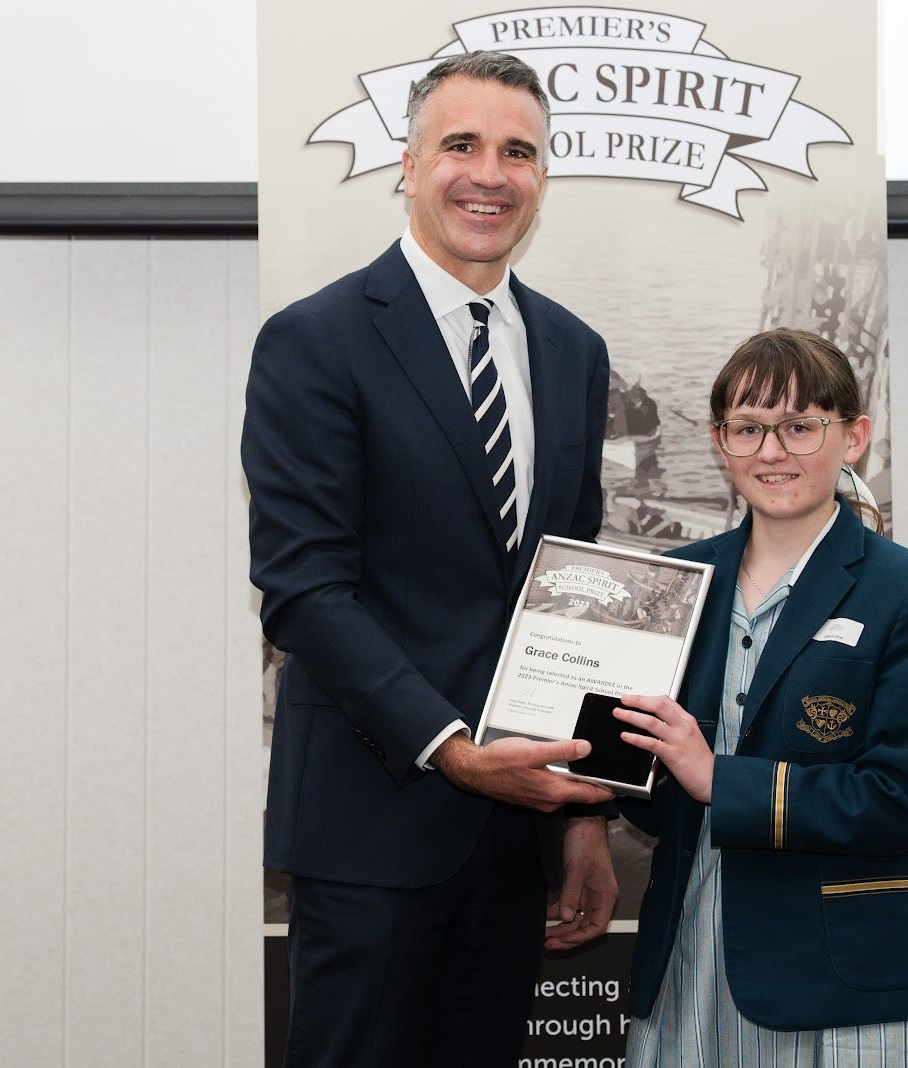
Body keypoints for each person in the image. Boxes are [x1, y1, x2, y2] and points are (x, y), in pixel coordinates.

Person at [242, 51, 618, 1068]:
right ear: (407, 165)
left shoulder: (574, 352)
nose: (488, 174)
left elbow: (568, 600)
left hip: (513, 843)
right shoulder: (313, 341)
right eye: (460, 145)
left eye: (518, 152)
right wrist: (450, 747)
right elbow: (304, 588)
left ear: (543, 179)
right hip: (372, 824)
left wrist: (583, 817)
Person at [613, 328, 908, 1065]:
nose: (772, 453)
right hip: (690, 960)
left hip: (842, 979)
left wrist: (719, 778)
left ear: (854, 437)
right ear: (720, 442)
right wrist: (590, 750)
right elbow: (648, 792)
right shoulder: (673, 583)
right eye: (748, 429)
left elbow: (901, 797)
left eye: (800, 426)